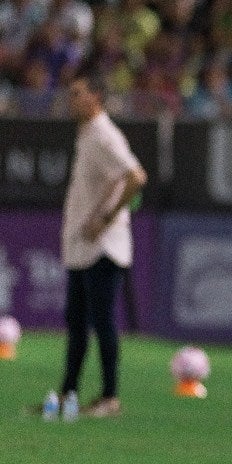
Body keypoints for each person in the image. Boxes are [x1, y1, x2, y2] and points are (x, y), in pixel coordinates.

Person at [56, 69, 147, 418]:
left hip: (104, 246)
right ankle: (69, 394)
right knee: (77, 321)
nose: (71, 98)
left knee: (102, 321)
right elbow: (115, 181)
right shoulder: (89, 134)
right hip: (85, 244)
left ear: (96, 96)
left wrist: (106, 219)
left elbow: (136, 176)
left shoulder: (105, 136)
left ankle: (110, 397)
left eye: (78, 93)